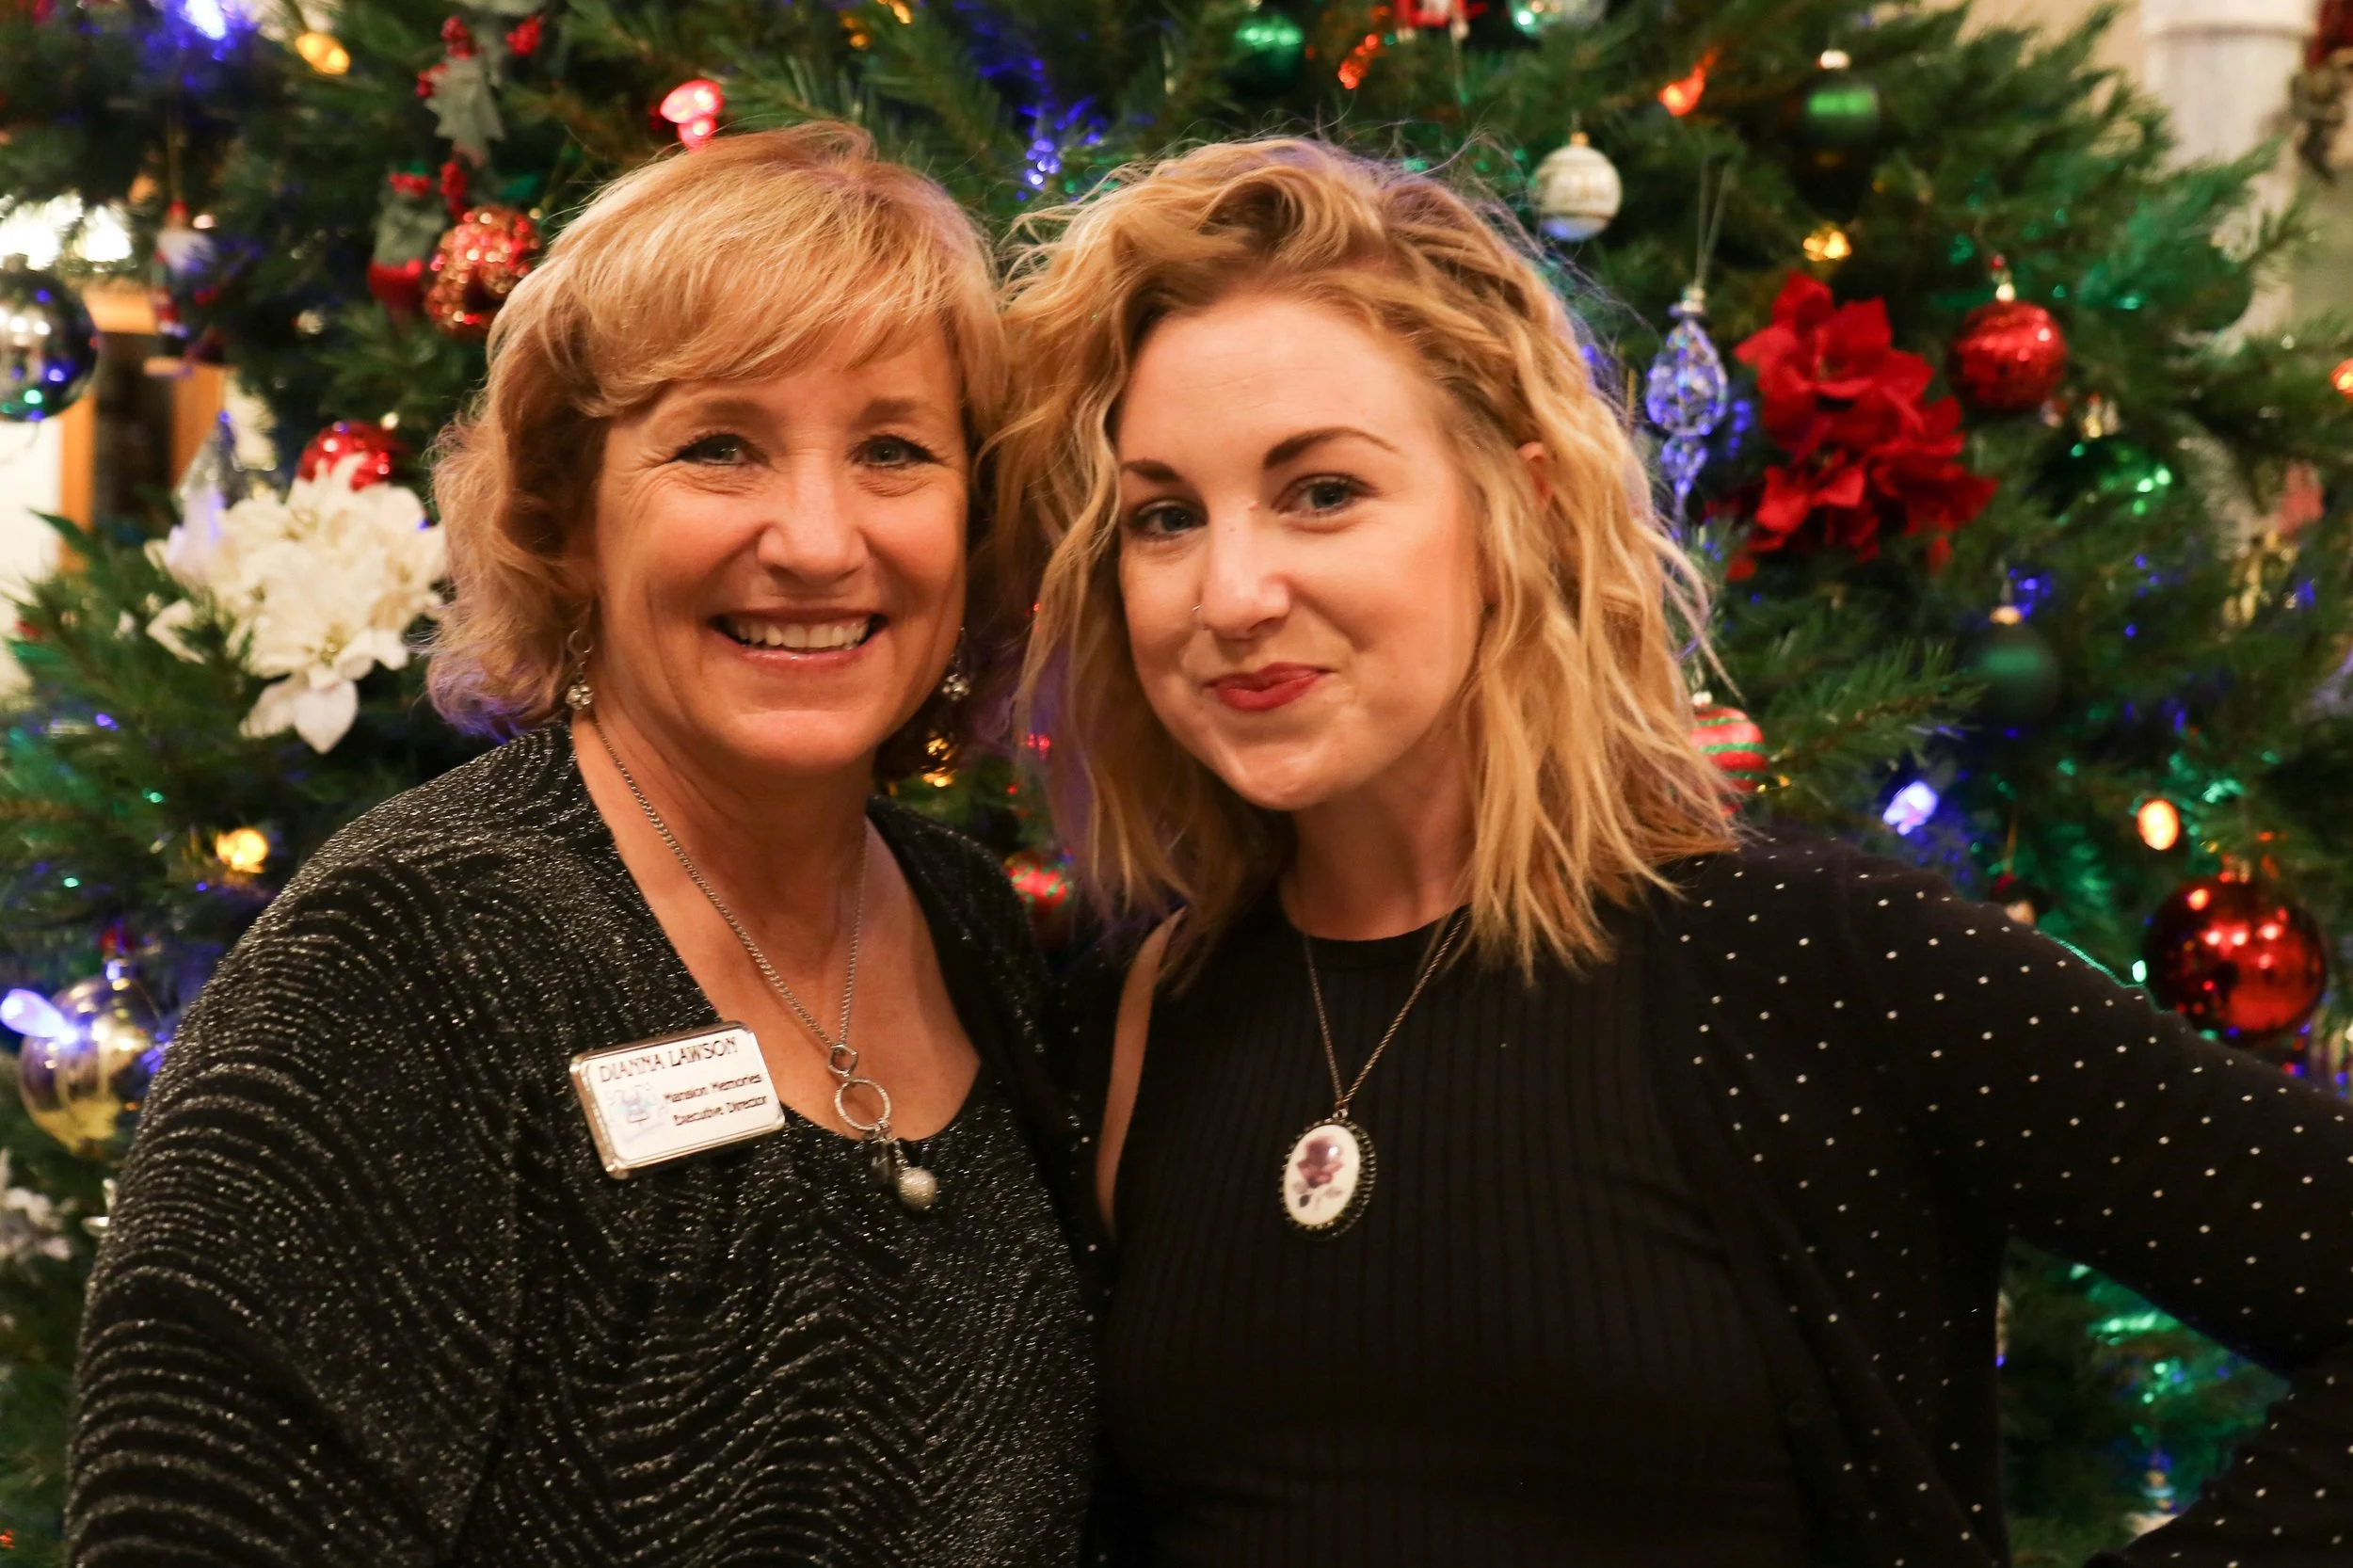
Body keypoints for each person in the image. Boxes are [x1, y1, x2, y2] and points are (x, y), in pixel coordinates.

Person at [996, 136, 2353, 1568]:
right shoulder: (1134, 1021)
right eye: (1165, 518)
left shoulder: (1818, 962)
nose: (1231, 592)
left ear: (1516, 508)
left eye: (1322, 491)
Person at [70, 125, 1095, 1567]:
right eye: (720, 445)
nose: (817, 538)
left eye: (894, 450)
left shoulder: (975, 926)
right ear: (566, 516)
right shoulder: (401, 969)